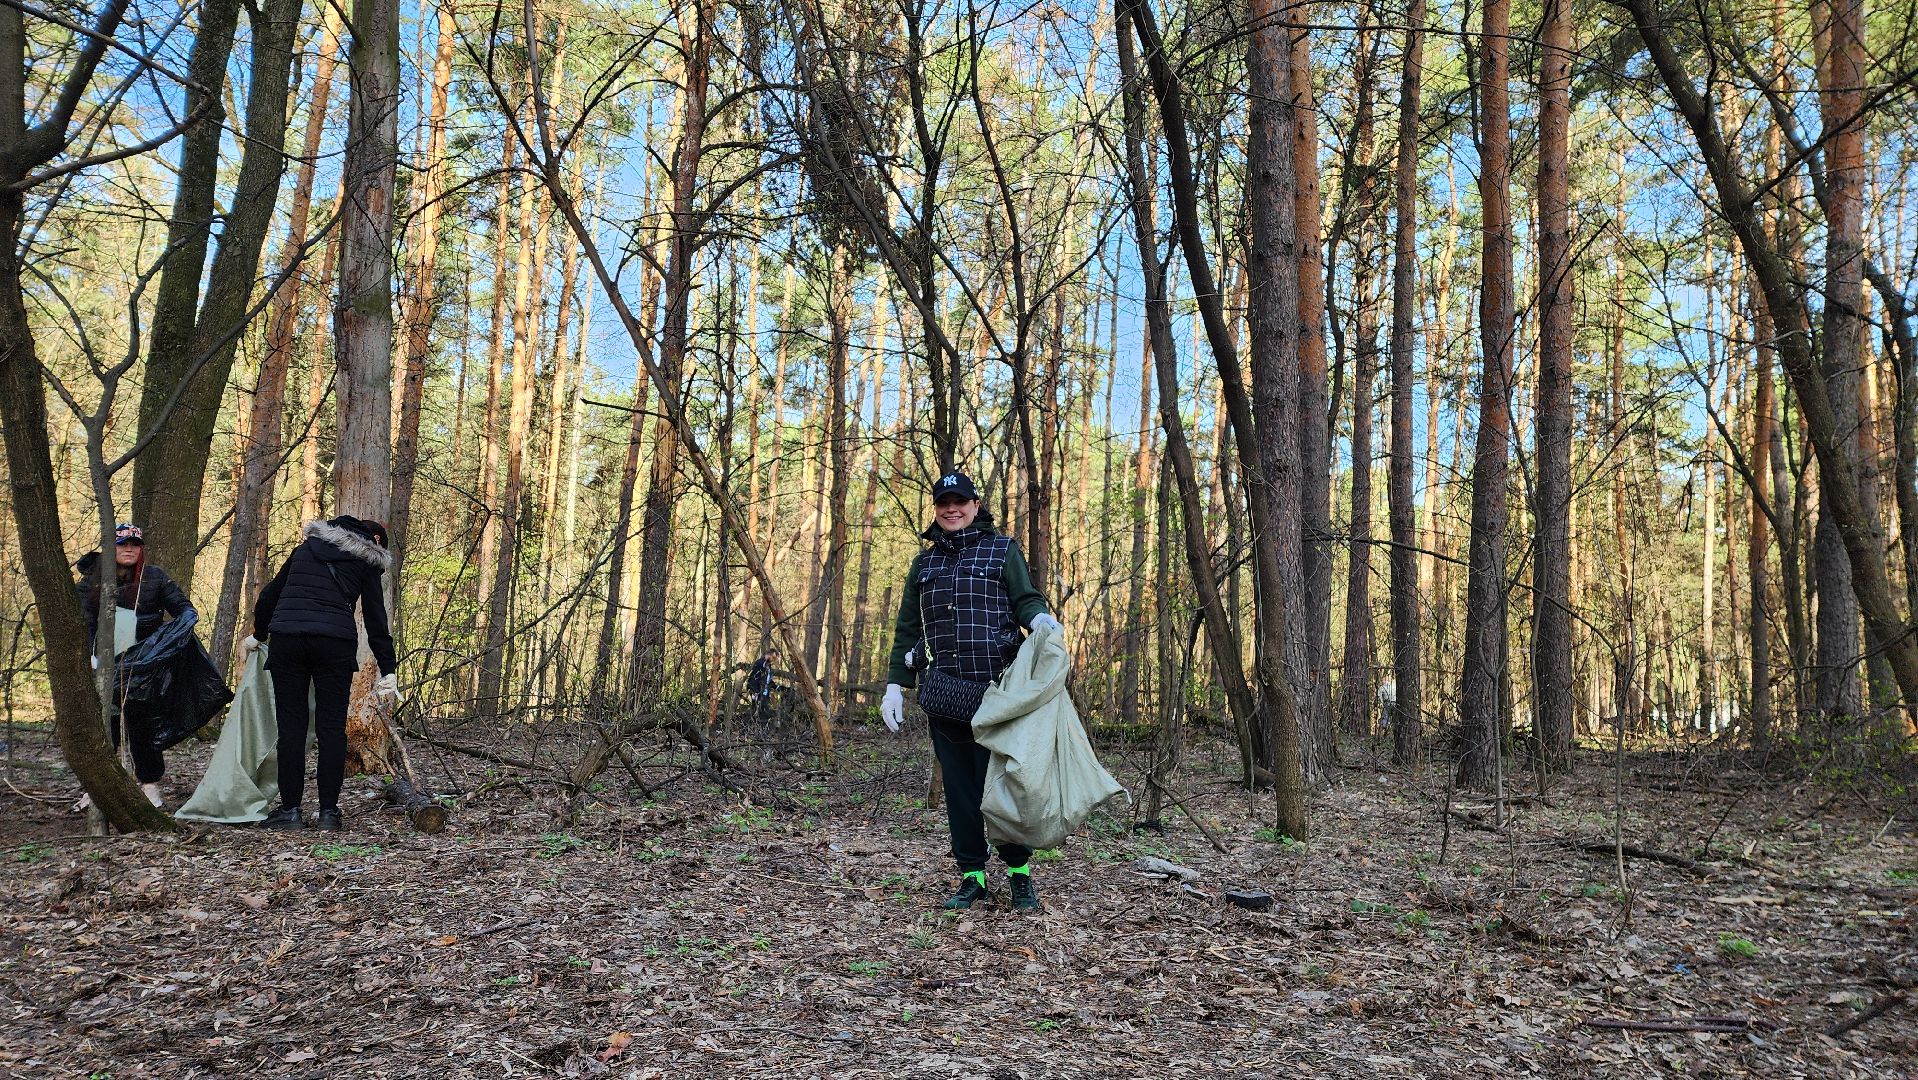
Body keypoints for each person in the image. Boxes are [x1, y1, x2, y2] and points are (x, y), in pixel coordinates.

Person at [881, 472, 1063, 911]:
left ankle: (1019, 875)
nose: (952, 509)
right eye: (944, 502)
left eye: (960, 501)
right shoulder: (924, 565)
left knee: (1002, 787)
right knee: (961, 790)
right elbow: (908, 627)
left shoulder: (1002, 550)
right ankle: (972, 877)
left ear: (976, 505)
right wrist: (894, 685)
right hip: (945, 695)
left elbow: (1025, 598)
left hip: (998, 694)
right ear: (936, 509)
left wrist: (1039, 619)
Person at [248, 516, 401, 831]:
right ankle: (328, 814)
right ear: (374, 540)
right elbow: (375, 618)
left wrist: (259, 635)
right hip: (335, 644)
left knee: (292, 728)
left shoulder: (305, 549)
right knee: (331, 730)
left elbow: (268, 597)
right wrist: (389, 668)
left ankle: (290, 812)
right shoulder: (366, 557)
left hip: (287, 639)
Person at [73, 523, 192, 808]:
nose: (129, 549)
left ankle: (149, 785)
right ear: (110, 547)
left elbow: (184, 611)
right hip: (102, 665)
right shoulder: (92, 580)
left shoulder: (155, 578)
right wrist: (89, 655)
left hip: (144, 667)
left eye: (135, 544)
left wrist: (163, 644)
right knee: (104, 726)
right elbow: (80, 619)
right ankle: (98, 787)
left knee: (143, 726)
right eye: (123, 544)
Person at [746, 648, 779, 725]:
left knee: (765, 711)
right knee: (758, 710)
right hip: (757, 691)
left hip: (765, 692)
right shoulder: (760, 663)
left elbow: (768, 679)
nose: (773, 660)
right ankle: (754, 728)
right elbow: (753, 678)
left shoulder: (768, 666)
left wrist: (775, 687)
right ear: (768, 655)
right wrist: (754, 691)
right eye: (773, 657)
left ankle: (763, 729)